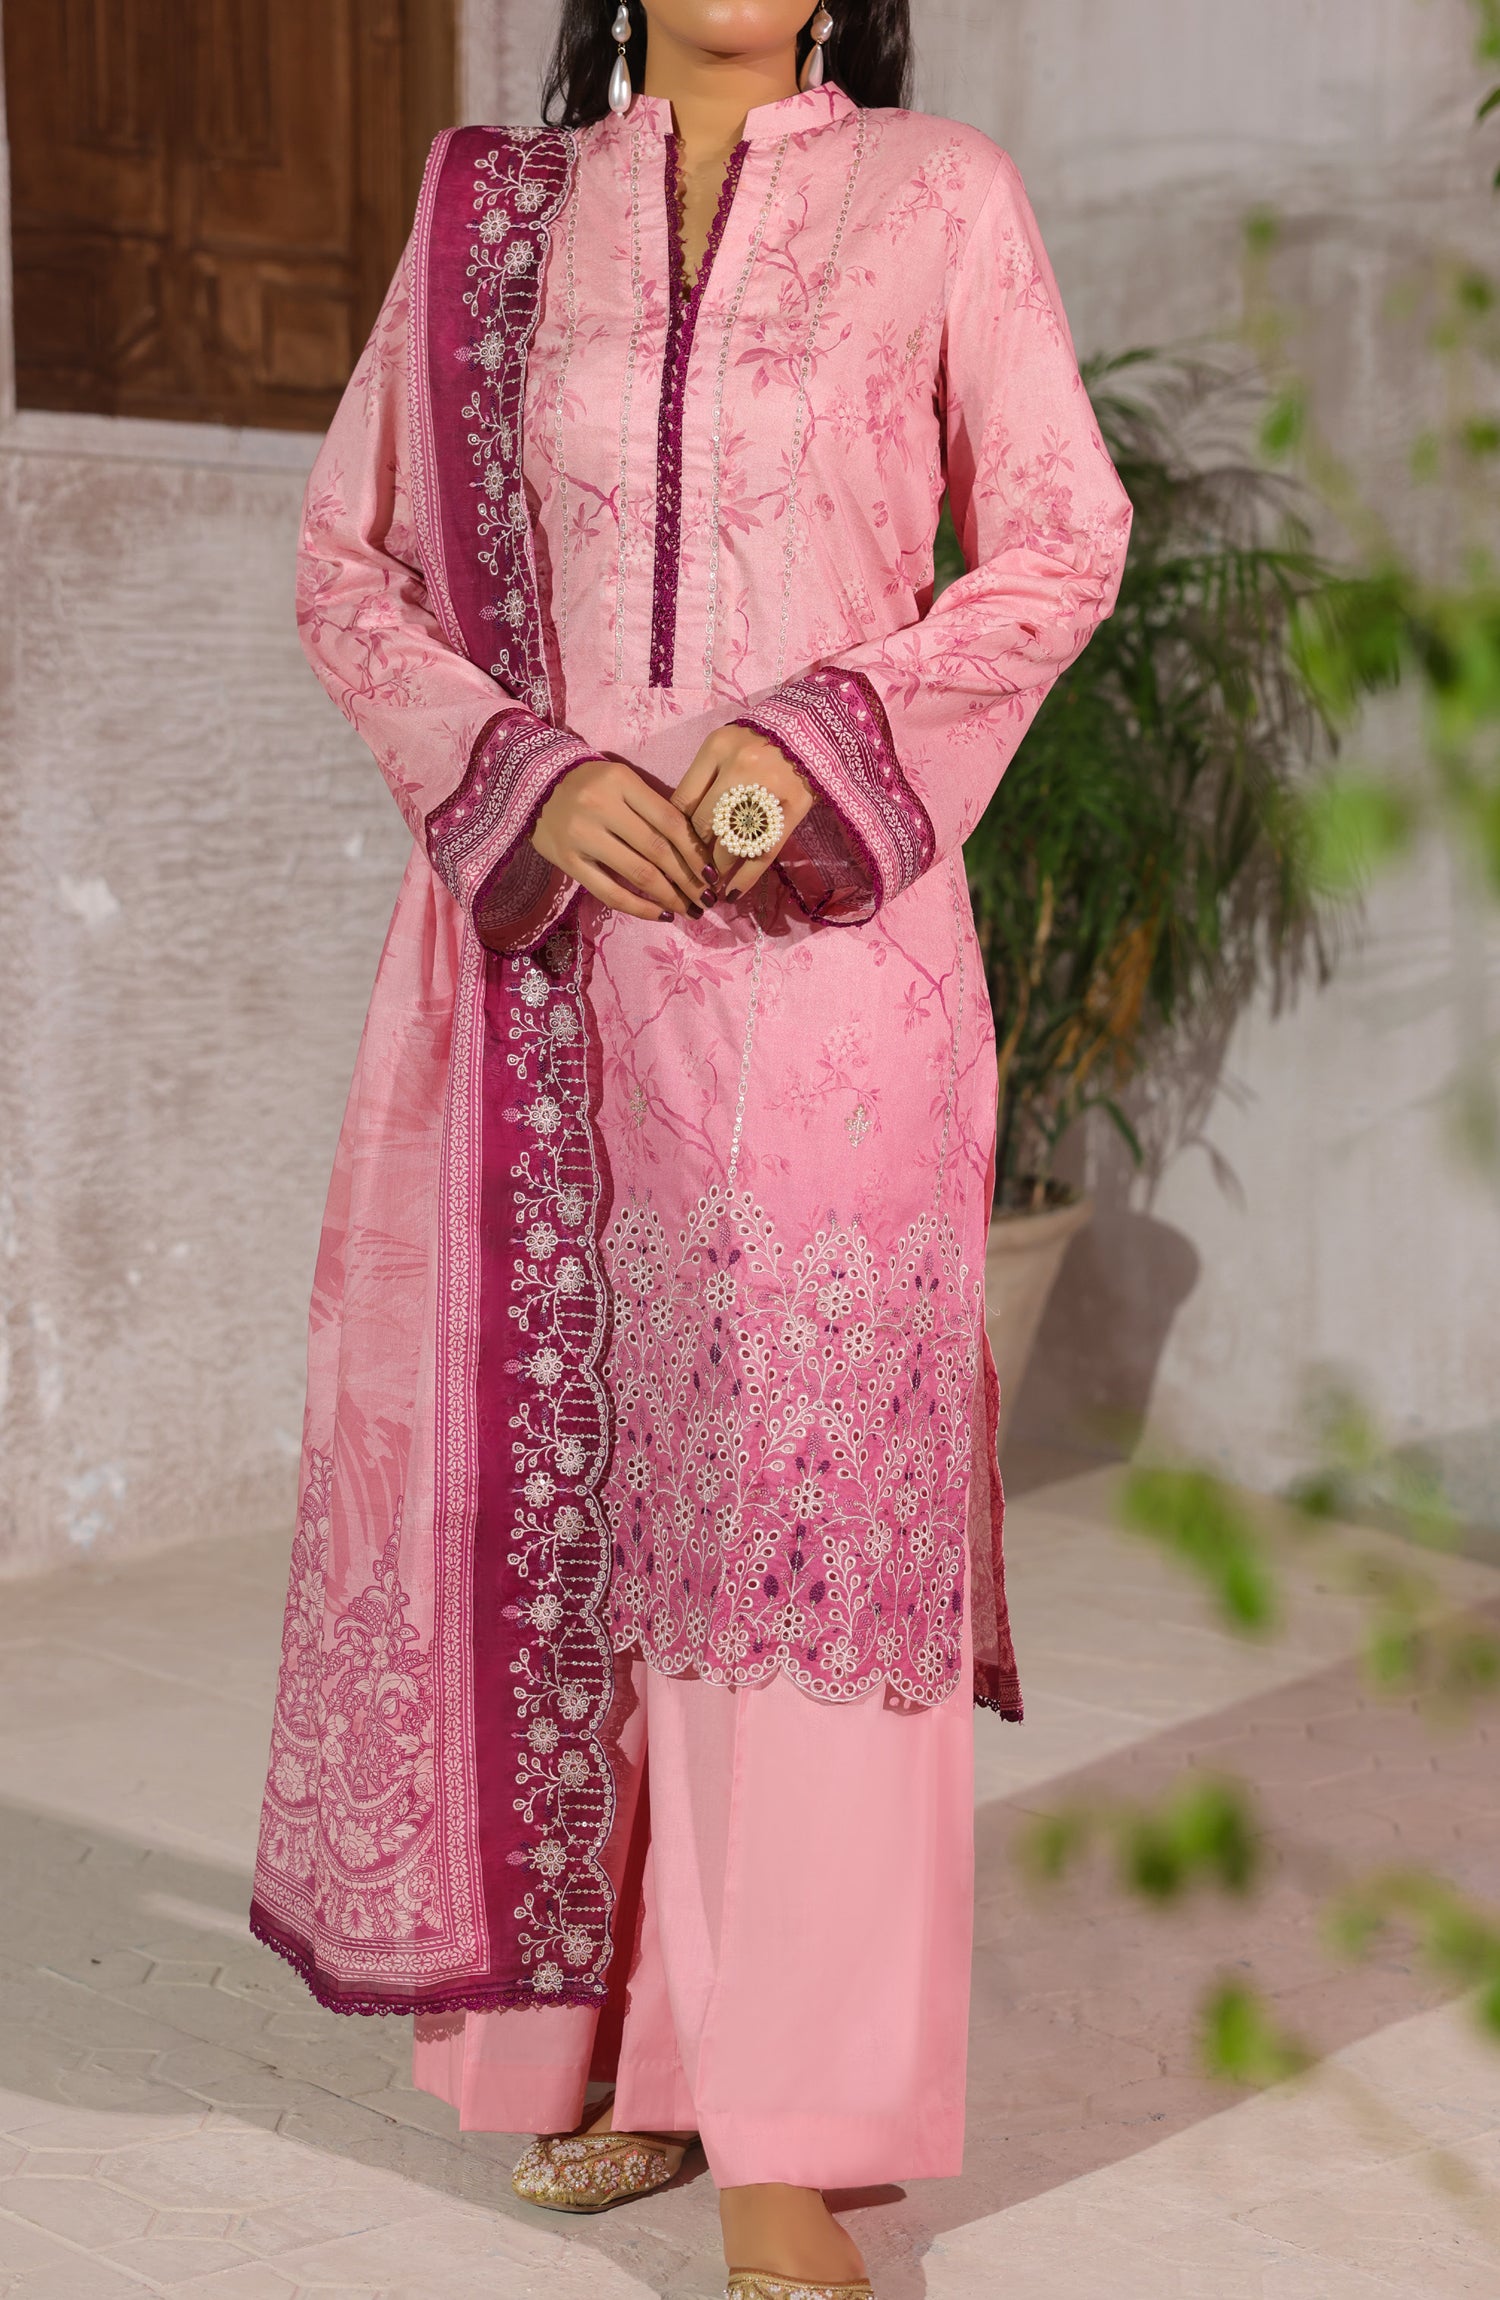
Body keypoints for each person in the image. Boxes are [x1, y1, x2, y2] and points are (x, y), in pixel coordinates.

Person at [250, 3, 1131, 2293]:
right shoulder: (492, 215)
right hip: (558, 974)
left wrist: (810, 747)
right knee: (597, 1523)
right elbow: (350, 565)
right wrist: (531, 777)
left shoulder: (939, 199)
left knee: (792, 1540)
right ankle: (636, 2047)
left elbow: (1060, 540)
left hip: (832, 976)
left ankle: (786, 2146)